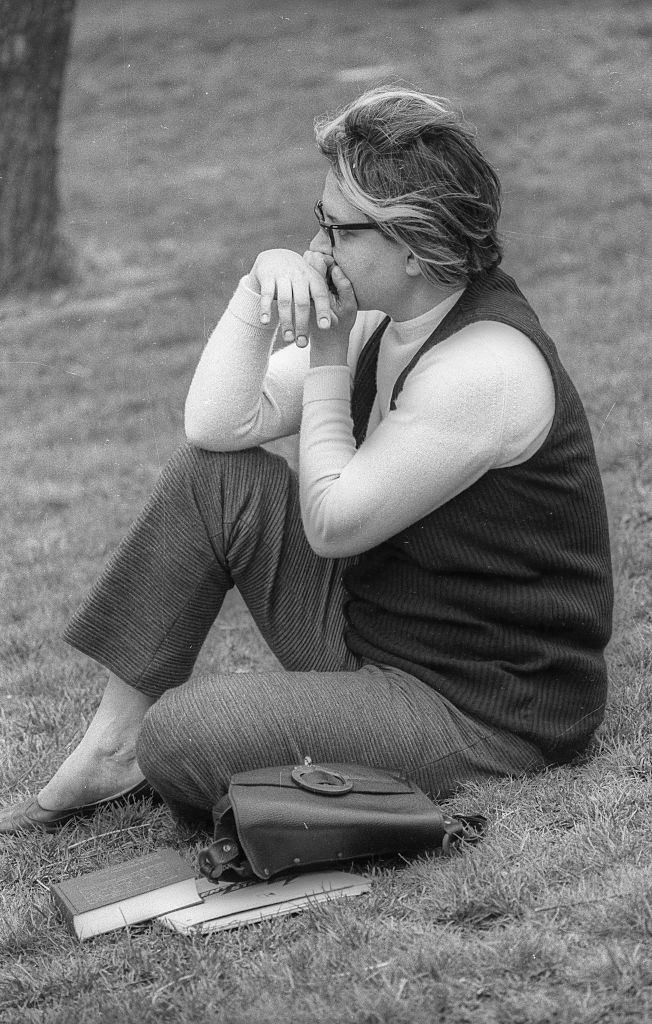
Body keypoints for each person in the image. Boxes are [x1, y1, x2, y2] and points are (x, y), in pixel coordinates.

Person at [0, 87, 613, 835]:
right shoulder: (391, 321)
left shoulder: (486, 366)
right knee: (216, 480)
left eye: (338, 228)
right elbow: (217, 426)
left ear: (413, 244)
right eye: (318, 221)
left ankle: (156, 744)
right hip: (378, 634)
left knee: (187, 735)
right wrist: (258, 286)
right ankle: (111, 746)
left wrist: (325, 354)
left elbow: (330, 524)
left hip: (482, 706)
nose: (316, 248)